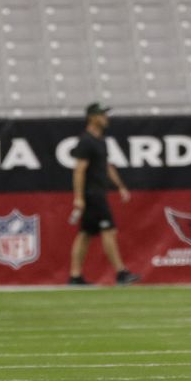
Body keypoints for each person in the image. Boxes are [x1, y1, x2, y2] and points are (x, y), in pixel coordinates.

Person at [67, 102, 140, 286]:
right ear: (92, 117)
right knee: (109, 230)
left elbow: (106, 166)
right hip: (93, 195)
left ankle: (75, 276)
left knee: (85, 234)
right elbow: (79, 170)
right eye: (102, 115)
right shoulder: (86, 141)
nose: (106, 118)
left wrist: (120, 186)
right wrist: (79, 197)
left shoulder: (100, 140)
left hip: (97, 192)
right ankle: (121, 273)